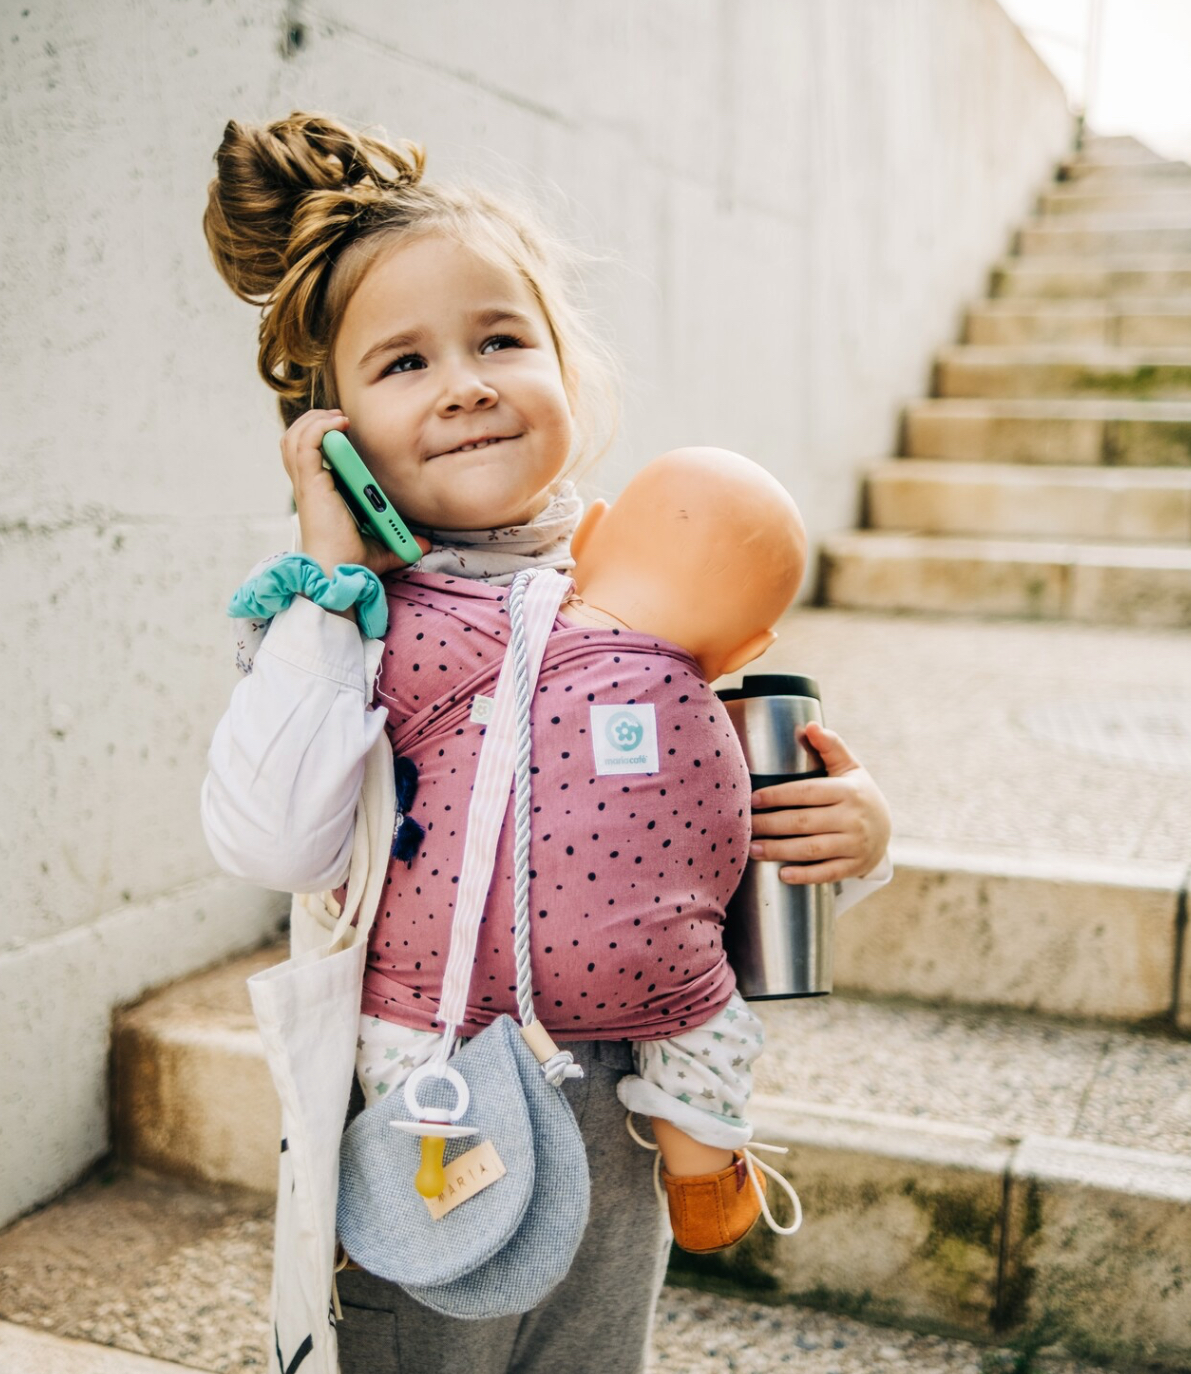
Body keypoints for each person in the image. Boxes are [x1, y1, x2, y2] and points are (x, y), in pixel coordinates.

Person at [200, 111, 892, 1374]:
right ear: (333, 423)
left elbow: (702, 813)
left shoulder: (643, 583)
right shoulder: (343, 616)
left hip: (624, 1104)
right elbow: (270, 838)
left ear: (568, 368)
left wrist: (858, 832)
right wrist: (326, 580)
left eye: (501, 340)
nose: (465, 382)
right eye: (403, 363)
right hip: (430, 1102)